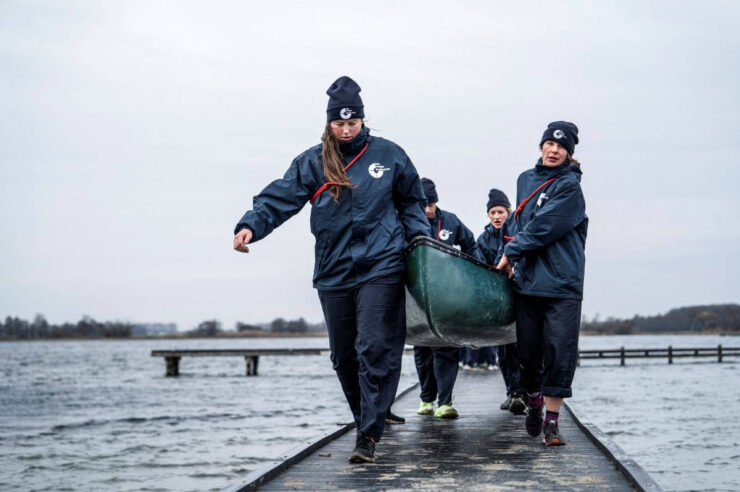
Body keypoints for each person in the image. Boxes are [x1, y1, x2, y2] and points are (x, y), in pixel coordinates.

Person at [232, 76, 429, 463]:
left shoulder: (389, 155)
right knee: (344, 356)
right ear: (328, 124)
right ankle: (366, 420)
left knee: (376, 347)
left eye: (351, 123)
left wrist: (420, 245)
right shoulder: (314, 161)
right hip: (334, 269)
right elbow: (281, 196)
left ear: (361, 119)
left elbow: (411, 203)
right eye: (338, 125)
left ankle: (368, 436)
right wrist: (251, 225)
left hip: (381, 265)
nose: (345, 130)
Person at [496, 121, 587, 446]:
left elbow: (545, 226)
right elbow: (518, 223)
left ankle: (552, 422)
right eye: (550, 143)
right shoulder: (525, 180)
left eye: (562, 147)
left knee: (559, 354)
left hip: (562, 285)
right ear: (541, 145)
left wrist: (511, 252)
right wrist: (505, 255)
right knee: (528, 355)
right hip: (529, 283)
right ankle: (534, 401)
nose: (554, 150)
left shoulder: (570, 188)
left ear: (569, 153)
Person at [414, 178, 482, 419]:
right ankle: (426, 399)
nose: (427, 210)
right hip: (418, 300)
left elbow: (470, 244)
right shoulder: (408, 220)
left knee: (445, 348)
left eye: (431, 204)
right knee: (423, 352)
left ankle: (445, 402)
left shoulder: (450, 221)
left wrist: (472, 273)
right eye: (423, 204)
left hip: (447, 297)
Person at [476, 188, 526, 415]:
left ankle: (528, 391)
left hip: (522, 295)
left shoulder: (519, 231)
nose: (496, 217)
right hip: (498, 301)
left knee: (524, 348)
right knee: (504, 350)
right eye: (492, 213)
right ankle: (513, 392)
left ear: (508, 212)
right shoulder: (483, 239)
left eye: (500, 212)